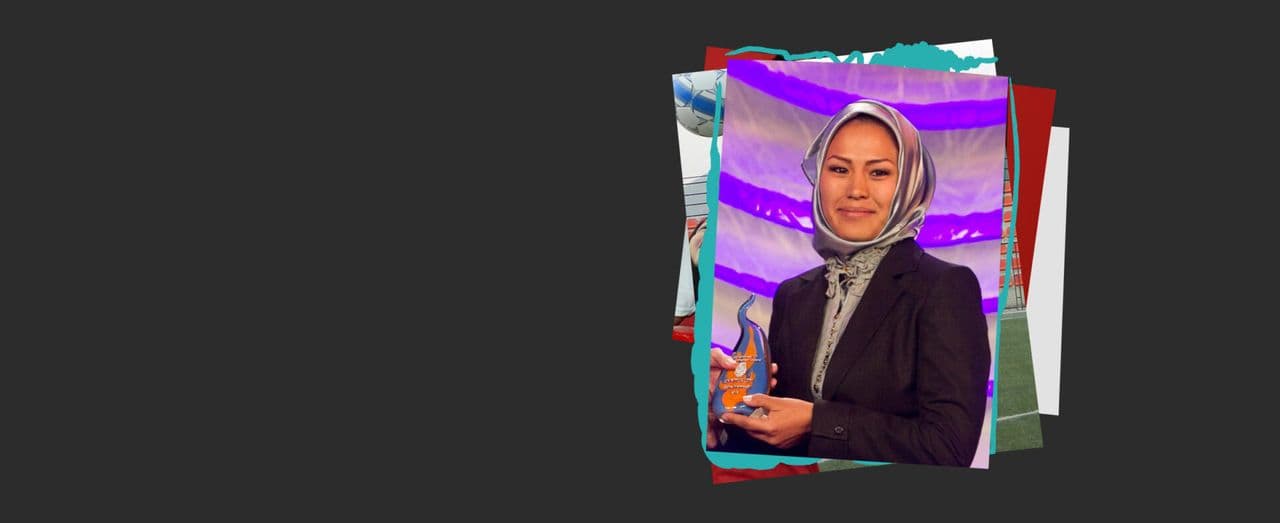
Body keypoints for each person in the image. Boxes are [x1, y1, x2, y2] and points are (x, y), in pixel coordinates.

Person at [708, 99, 990, 467]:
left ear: (909, 183)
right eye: (839, 168)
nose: (856, 189)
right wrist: (726, 417)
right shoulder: (794, 295)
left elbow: (948, 449)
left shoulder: (945, 288)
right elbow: (776, 444)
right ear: (818, 178)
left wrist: (816, 422)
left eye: (879, 173)